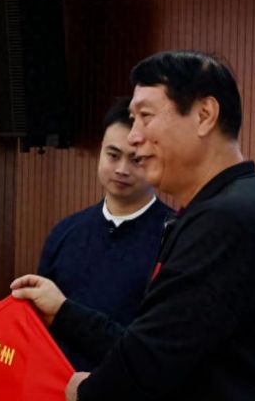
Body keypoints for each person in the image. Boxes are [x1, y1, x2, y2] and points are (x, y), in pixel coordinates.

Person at [12, 50, 255, 400]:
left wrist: (86, 391)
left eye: (145, 116)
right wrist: (65, 314)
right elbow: (157, 344)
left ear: (204, 115)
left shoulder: (227, 219)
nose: (134, 137)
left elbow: (149, 361)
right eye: (132, 119)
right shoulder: (217, 208)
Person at [38, 98, 172, 370]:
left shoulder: (175, 236)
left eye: (135, 159)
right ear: (100, 150)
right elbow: (38, 327)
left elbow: (160, 348)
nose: (122, 169)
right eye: (113, 155)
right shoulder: (65, 232)